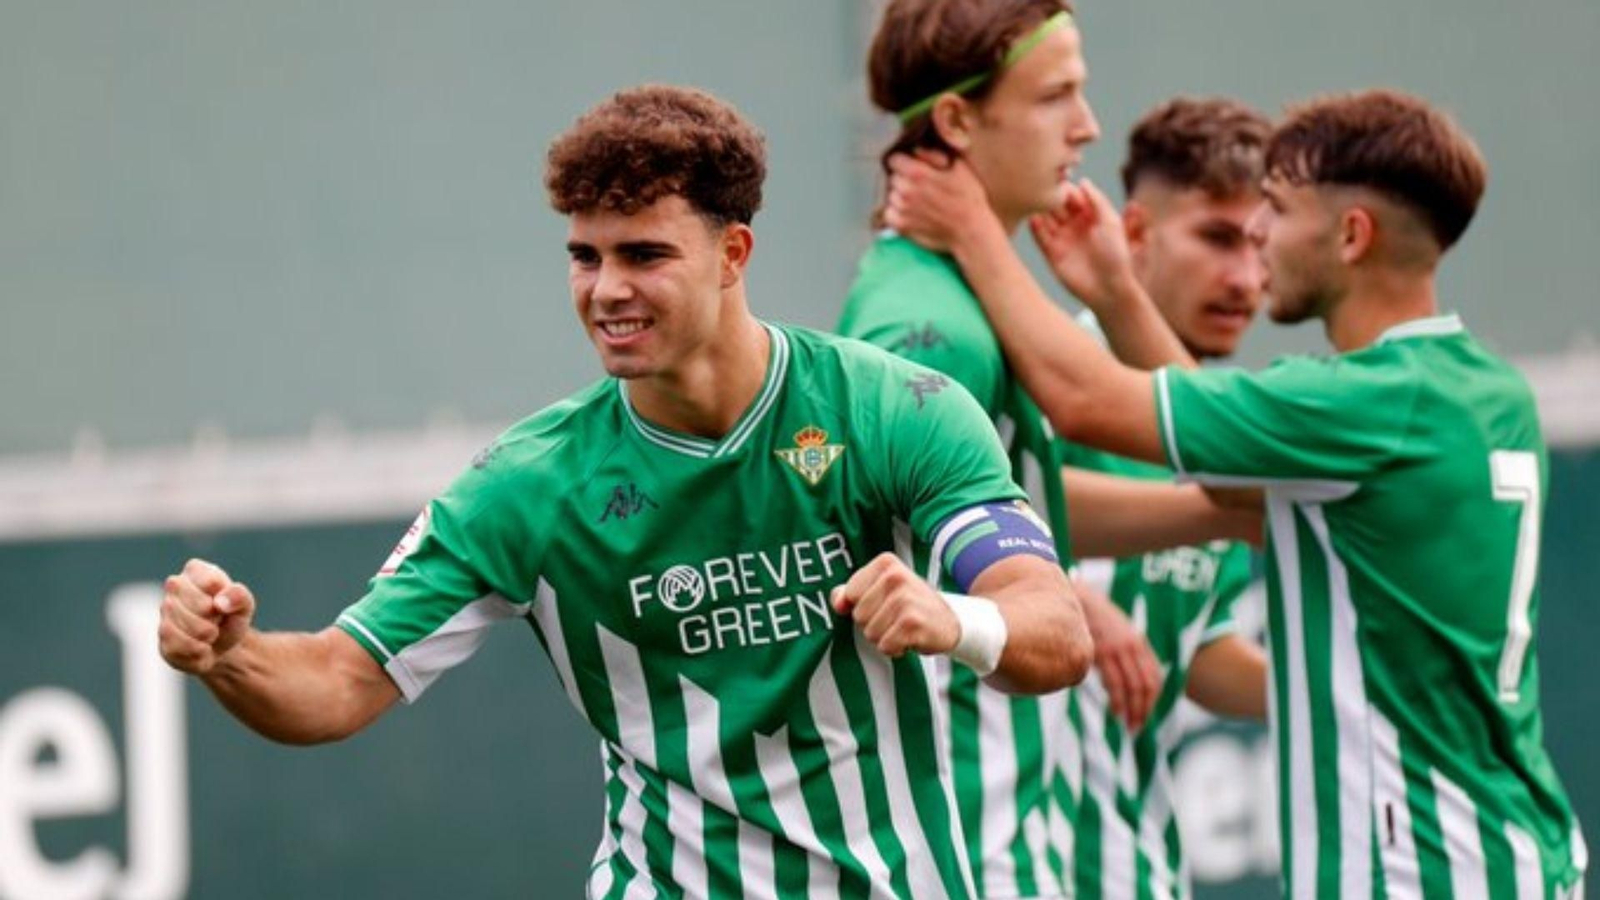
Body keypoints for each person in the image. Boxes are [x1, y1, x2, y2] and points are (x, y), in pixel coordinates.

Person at [156, 84, 1095, 899]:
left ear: (734, 255)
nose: (606, 289)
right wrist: (228, 655)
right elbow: (333, 681)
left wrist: (954, 620)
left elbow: (1054, 631)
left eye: (644, 255)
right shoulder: (529, 485)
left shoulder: (893, 408)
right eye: (584, 256)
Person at [884, 89, 1586, 898]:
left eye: (1277, 211)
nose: (1256, 241)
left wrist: (972, 229)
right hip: (1512, 850)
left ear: (1352, 235)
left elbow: (1088, 402)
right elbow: (1224, 478)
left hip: (1417, 867)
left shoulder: (1366, 403)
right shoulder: (1486, 390)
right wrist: (1118, 295)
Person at [839, 5, 1251, 898]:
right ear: (956, 121)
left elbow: (1025, 502)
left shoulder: (972, 296)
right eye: (1057, 94)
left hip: (1014, 823)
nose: (1088, 125)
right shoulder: (926, 332)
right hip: (967, 833)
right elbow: (898, 564)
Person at [1055, 97, 1272, 900]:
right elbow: (935, 539)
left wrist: (1345, 687)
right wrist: (1067, 594)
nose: (1245, 278)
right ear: (1134, 235)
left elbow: (1196, 650)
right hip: (1006, 858)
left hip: (1136, 864)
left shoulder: (1222, 436)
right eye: (1217, 238)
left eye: (1260, 244)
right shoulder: (1049, 378)